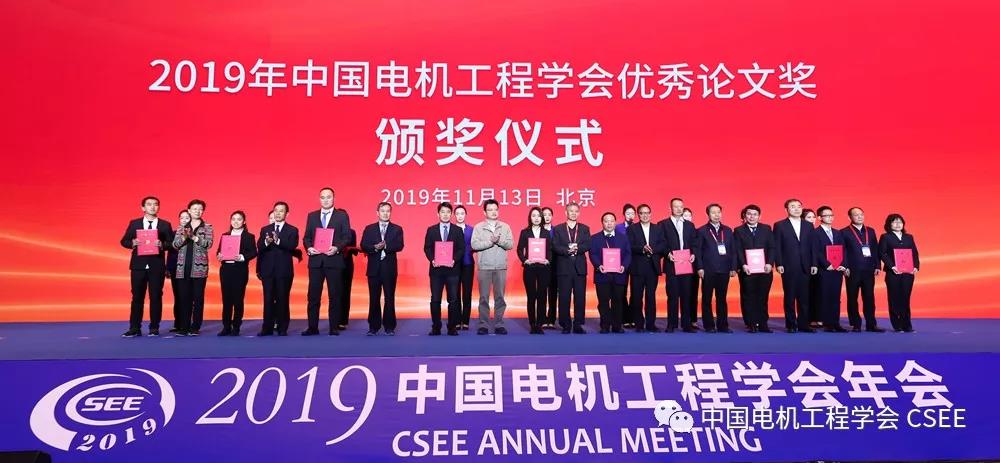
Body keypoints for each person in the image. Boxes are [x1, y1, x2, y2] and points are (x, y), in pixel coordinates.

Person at [119, 196, 174, 337]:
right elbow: (124, 241)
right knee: (137, 297)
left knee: (156, 297)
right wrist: (133, 243)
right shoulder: (134, 223)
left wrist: (162, 245)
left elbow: (172, 244)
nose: (153, 207)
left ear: (159, 207)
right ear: (143, 207)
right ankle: (134, 328)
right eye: (149, 204)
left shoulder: (165, 225)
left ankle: (154, 327)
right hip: (138, 266)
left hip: (157, 265)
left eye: (156, 204)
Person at [302, 187, 352, 336]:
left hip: (334, 260)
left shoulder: (341, 216)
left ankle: (334, 327)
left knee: (335, 295)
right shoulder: (312, 216)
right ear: (319, 199)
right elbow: (306, 237)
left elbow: (347, 237)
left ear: (334, 198)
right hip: (316, 261)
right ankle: (312, 327)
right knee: (313, 296)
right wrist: (309, 247)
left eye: (328, 197)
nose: (325, 200)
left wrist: (337, 248)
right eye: (323, 197)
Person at [470, 200, 514, 335]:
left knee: (500, 297)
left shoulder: (505, 227)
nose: (493, 212)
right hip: (484, 266)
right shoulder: (479, 227)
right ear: (484, 212)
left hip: (500, 266)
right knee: (484, 297)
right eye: (490, 210)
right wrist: (490, 242)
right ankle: (483, 324)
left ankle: (499, 324)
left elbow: (510, 244)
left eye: (495, 209)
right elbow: (474, 245)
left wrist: (499, 240)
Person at [360, 202, 404, 336]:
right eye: (383, 211)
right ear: (377, 213)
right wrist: (375, 247)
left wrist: (386, 246)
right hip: (374, 268)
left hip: (389, 269)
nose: (385, 213)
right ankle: (373, 326)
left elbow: (400, 245)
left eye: (388, 211)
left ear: (391, 213)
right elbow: (363, 245)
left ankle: (389, 326)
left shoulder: (397, 229)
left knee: (389, 298)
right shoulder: (369, 228)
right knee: (374, 298)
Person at [171, 199, 213, 336]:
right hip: (182, 268)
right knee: (184, 299)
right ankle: (184, 327)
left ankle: (195, 327)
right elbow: (174, 245)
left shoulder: (207, 227)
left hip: (200, 269)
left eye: (200, 209)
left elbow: (209, 244)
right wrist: (184, 237)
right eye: (195, 209)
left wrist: (195, 238)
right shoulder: (181, 227)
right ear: (189, 210)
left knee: (198, 299)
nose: (197, 211)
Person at [774, 199, 817, 333]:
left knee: (804, 297)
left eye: (799, 206)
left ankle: (804, 324)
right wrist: (779, 263)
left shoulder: (808, 225)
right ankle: (791, 324)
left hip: (806, 265)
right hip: (788, 265)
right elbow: (777, 246)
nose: (797, 209)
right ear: (786, 210)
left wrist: (814, 263)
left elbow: (813, 246)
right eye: (793, 206)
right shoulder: (780, 225)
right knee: (790, 296)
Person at [423, 202, 466, 336]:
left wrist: (454, 260)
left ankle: (452, 327)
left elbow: (461, 248)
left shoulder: (457, 230)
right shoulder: (431, 230)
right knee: (435, 300)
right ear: (438, 214)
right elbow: (427, 248)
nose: (445, 214)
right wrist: (432, 259)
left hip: (452, 270)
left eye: (448, 212)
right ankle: (436, 327)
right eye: (443, 212)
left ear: (451, 214)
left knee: (453, 300)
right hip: (436, 271)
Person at [693, 203, 737, 333]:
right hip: (708, 270)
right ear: (708, 214)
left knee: (722, 298)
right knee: (707, 298)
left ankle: (723, 325)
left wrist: (733, 267)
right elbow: (697, 251)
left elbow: (733, 251)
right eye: (713, 212)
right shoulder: (701, 231)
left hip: (724, 269)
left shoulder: (728, 230)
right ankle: (709, 325)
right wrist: (700, 267)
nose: (716, 215)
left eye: (718, 212)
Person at [257, 201, 298, 336]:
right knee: (268, 299)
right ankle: (267, 328)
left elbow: (292, 246)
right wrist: (266, 242)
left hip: (284, 271)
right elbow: (259, 247)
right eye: (276, 211)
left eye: (281, 211)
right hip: (268, 271)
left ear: (287, 214)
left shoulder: (292, 230)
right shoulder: (265, 229)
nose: (278, 213)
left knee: (282, 299)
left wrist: (278, 241)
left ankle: (282, 328)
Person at [842, 207, 885, 332]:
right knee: (852, 297)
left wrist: (877, 266)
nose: (859, 217)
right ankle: (855, 324)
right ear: (849, 217)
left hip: (868, 269)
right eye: (856, 215)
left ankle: (871, 324)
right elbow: (843, 251)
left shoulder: (870, 231)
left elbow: (875, 249)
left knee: (869, 297)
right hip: (852, 270)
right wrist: (845, 266)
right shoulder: (844, 232)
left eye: (861, 214)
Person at [733, 204, 775, 333]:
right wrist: (743, 264)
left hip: (764, 269)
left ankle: (763, 323)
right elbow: (738, 249)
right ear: (745, 216)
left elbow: (772, 247)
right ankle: (751, 323)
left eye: (755, 214)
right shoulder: (738, 230)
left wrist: (770, 263)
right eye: (749, 214)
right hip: (747, 269)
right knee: (748, 296)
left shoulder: (766, 229)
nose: (752, 216)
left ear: (759, 216)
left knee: (763, 297)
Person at [658, 198, 697, 333]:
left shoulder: (690, 225)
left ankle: (686, 324)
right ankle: (671, 324)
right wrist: (667, 253)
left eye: (681, 206)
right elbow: (661, 242)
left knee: (687, 295)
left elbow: (694, 242)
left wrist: (693, 254)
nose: (679, 209)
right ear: (670, 208)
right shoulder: (663, 224)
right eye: (676, 206)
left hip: (686, 263)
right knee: (672, 296)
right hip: (672, 263)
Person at [215, 210, 256, 336]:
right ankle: (226, 327)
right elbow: (218, 251)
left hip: (240, 270)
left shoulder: (249, 236)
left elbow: (253, 252)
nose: (236, 222)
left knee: (238, 299)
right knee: (226, 299)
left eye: (239, 219)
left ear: (244, 222)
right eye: (233, 219)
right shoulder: (225, 235)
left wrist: (242, 257)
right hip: (226, 270)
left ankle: (236, 327)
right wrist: (219, 255)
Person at [552, 202, 592, 334]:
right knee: (564, 297)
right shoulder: (558, 229)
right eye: (571, 211)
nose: (573, 213)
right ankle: (565, 324)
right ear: (566, 212)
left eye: (576, 211)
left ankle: (578, 324)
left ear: (579, 213)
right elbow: (555, 246)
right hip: (564, 268)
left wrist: (577, 249)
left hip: (579, 268)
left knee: (580, 298)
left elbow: (588, 244)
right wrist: (567, 250)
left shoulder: (585, 228)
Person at [590, 212, 632, 333]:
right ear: (602, 223)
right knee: (603, 302)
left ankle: (617, 325)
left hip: (619, 274)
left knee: (618, 301)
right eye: (606, 221)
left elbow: (628, 253)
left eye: (611, 221)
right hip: (602, 275)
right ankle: (605, 325)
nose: (609, 223)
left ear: (615, 222)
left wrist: (624, 266)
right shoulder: (595, 238)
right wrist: (599, 265)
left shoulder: (623, 237)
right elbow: (593, 254)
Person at [627, 204, 665, 332]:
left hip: (652, 267)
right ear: (638, 215)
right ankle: (639, 324)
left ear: (650, 214)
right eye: (642, 213)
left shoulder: (657, 228)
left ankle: (650, 324)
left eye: (647, 213)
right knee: (637, 297)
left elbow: (663, 245)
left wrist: (653, 249)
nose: (645, 215)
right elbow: (628, 246)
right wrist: (642, 249)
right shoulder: (632, 229)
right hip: (637, 267)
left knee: (651, 297)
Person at [878, 213, 919, 333]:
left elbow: (914, 253)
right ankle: (897, 325)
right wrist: (892, 266)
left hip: (908, 273)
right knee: (894, 298)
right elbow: (882, 253)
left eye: (900, 222)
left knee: (905, 298)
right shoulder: (886, 237)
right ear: (889, 224)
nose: (898, 224)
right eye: (894, 222)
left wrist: (916, 266)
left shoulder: (909, 237)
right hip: (893, 273)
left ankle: (907, 325)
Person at [811, 206, 849, 332]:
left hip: (838, 269)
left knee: (835, 296)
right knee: (824, 295)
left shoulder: (838, 233)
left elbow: (843, 250)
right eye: (826, 215)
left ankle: (835, 322)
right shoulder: (815, 233)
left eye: (831, 215)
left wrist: (843, 265)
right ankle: (827, 323)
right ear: (819, 218)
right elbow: (815, 251)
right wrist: (826, 264)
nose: (830, 218)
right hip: (824, 269)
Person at [516, 207, 553, 334]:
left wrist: (548, 260)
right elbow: (519, 249)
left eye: (538, 216)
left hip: (543, 268)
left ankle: (540, 324)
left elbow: (550, 249)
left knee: (542, 296)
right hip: (530, 267)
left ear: (541, 218)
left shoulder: (546, 232)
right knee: (531, 296)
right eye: (533, 216)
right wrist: (525, 260)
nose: (536, 218)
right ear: (530, 218)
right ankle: (532, 324)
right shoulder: (525, 232)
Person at [167, 209, 189, 334]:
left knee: (187, 296)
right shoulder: (174, 233)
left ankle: (187, 323)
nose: (184, 220)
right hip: (175, 268)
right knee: (178, 296)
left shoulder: (194, 234)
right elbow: (170, 252)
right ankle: (178, 323)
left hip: (189, 268)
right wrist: (168, 268)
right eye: (182, 218)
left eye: (187, 218)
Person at [454, 205, 476, 330]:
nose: (460, 216)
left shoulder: (472, 230)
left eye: (462, 213)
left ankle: (465, 321)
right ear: (454, 215)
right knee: (455, 293)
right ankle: (457, 321)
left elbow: (476, 245)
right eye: (457, 213)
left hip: (468, 263)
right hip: (454, 265)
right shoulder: (451, 229)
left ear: (465, 215)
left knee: (467, 293)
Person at [616, 204, 636, 328]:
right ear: (624, 214)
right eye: (628, 213)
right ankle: (624, 318)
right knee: (622, 291)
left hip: (635, 263)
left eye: (632, 213)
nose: (630, 216)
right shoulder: (618, 228)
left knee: (635, 291)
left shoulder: (638, 227)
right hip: (621, 262)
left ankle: (633, 317)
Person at [803, 208, 822, 328]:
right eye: (808, 217)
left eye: (813, 217)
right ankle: (809, 318)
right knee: (808, 292)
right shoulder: (803, 233)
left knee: (819, 292)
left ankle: (819, 317)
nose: (812, 220)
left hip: (821, 266)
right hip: (807, 266)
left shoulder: (819, 231)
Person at [542, 207, 559, 329]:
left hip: (555, 265)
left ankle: (551, 319)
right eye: (544, 214)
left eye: (549, 214)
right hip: (541, 265)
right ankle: (542, 319)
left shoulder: (557, 231)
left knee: (553, 293)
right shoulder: (538, 231)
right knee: (542, 293)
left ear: (552, 216)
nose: (547, 217)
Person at [338, 226, 358, 330]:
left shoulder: (351, 232)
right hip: (333, 264)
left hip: (347, 265)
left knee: (345, 292)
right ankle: (334, 320)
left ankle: (343, 321)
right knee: (334, 293)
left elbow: (355, 251)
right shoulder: (330, 230)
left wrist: (349, 248)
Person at [683, 206, 700, 327]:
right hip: (679, 265)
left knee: (693, 294)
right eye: (685, 215)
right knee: (682, 294)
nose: (687, 217)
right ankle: (683, 319)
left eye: (689, 215)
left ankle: (693, 320)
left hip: (693, 267)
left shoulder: (697, 231)